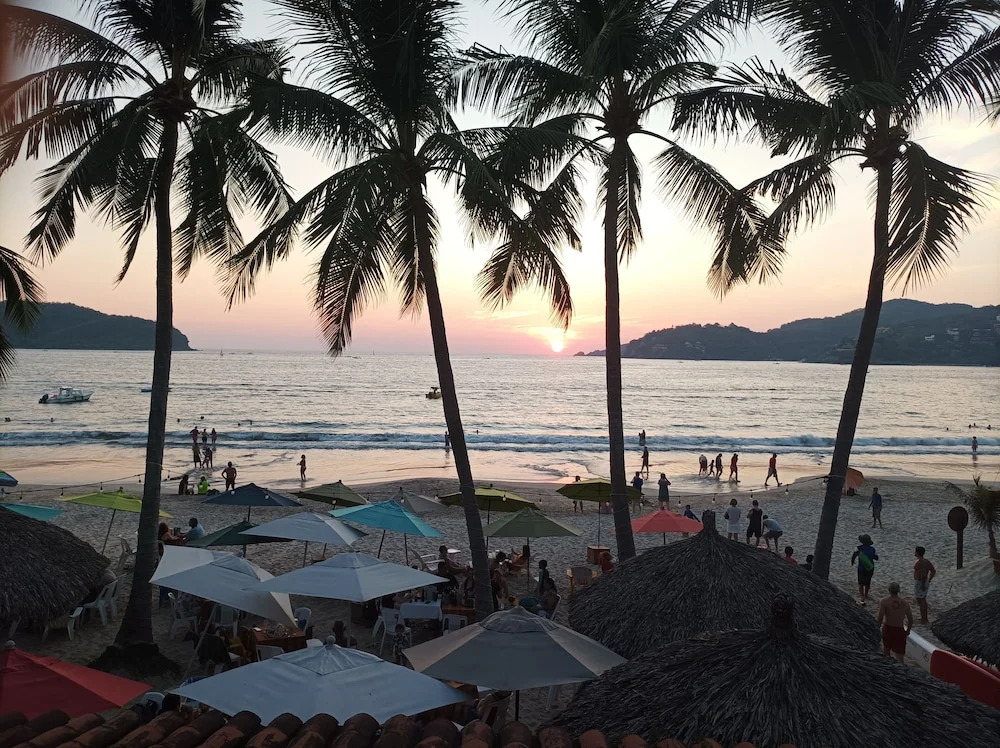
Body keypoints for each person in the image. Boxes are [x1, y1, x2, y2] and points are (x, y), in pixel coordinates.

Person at [877, 582, 912, 661]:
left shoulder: (884, 601)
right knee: (900, 656)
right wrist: (908, 630)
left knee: (886, 652)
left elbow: (880, 617)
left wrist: (877, 627)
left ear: (889, 590)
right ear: (898, 590)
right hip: (899, 629)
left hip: (888, 628)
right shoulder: (905, 603)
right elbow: (910, 619)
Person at [851, 534, 878, 603]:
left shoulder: (858, 548)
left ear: (862, 541)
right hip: (870, 568)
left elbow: (854, 556)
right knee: (867, 582)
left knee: (861, 583)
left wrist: (852, 562)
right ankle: (866, 595)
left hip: (861, 568)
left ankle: (862, 596)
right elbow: (876, 558)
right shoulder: (872, 549)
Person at [913, 546, 936, 624]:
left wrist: (923, 583)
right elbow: (933, 571)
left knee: (921, 601)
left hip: (920, 582)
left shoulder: (920, 563)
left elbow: (922, 574)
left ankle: (924, 619)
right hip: (924, 581)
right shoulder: (926, 561)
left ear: (917, 553)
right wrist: (928, 580)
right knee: (922, 600)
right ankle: (924, 617)